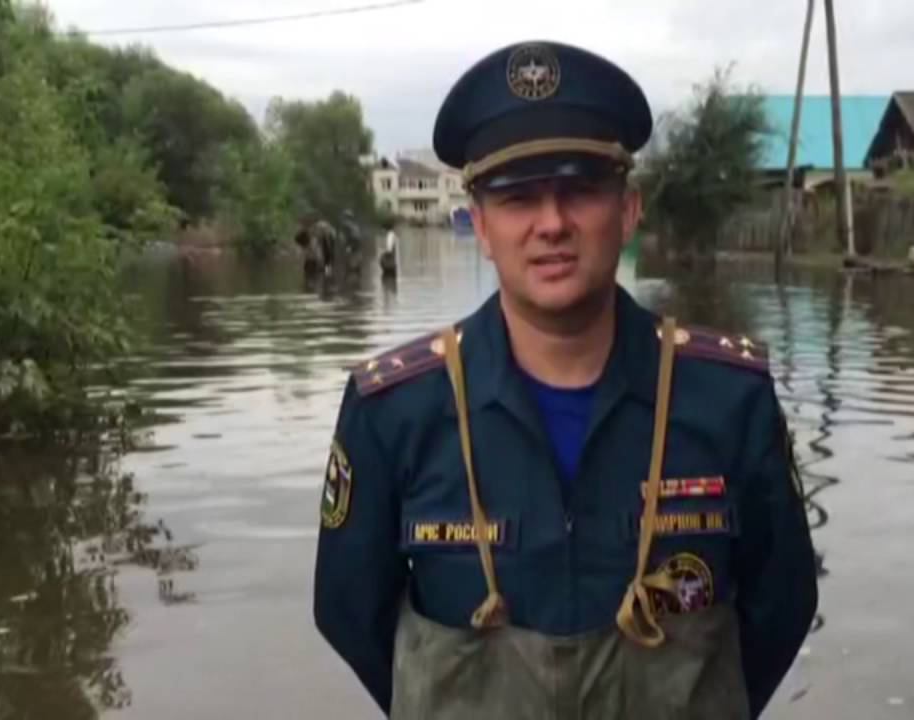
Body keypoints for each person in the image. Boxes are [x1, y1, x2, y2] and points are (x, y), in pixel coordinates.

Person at [314, 40, 817, 720]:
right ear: (481, 225)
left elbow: (783, 604)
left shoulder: (728, 399)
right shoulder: (394, 412)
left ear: (628, 210)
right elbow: (349, 611)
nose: (551, 224)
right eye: (518, 198)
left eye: (579, 190)